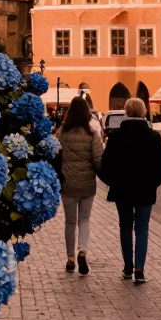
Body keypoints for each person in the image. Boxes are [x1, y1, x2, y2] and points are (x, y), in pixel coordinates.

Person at [98, 97, 161, 285]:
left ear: (126, 112)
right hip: (146, 189)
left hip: (122, 190)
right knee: (143, 228)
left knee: (126, 227)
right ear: (144, 112)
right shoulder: (153, 136)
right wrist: (154, 183)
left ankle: (128, 267)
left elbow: (105, 165)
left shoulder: (116, 136)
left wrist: (113, 182)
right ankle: (140, 269)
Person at [57, 96, 104, 275]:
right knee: (84, 219)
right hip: (87, 184)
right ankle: (82, 250)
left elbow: (56, 155)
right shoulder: (93, 134)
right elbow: (98, 160)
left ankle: (70, 259)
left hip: (68, 184)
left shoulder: (62, 133)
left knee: (70, 222)